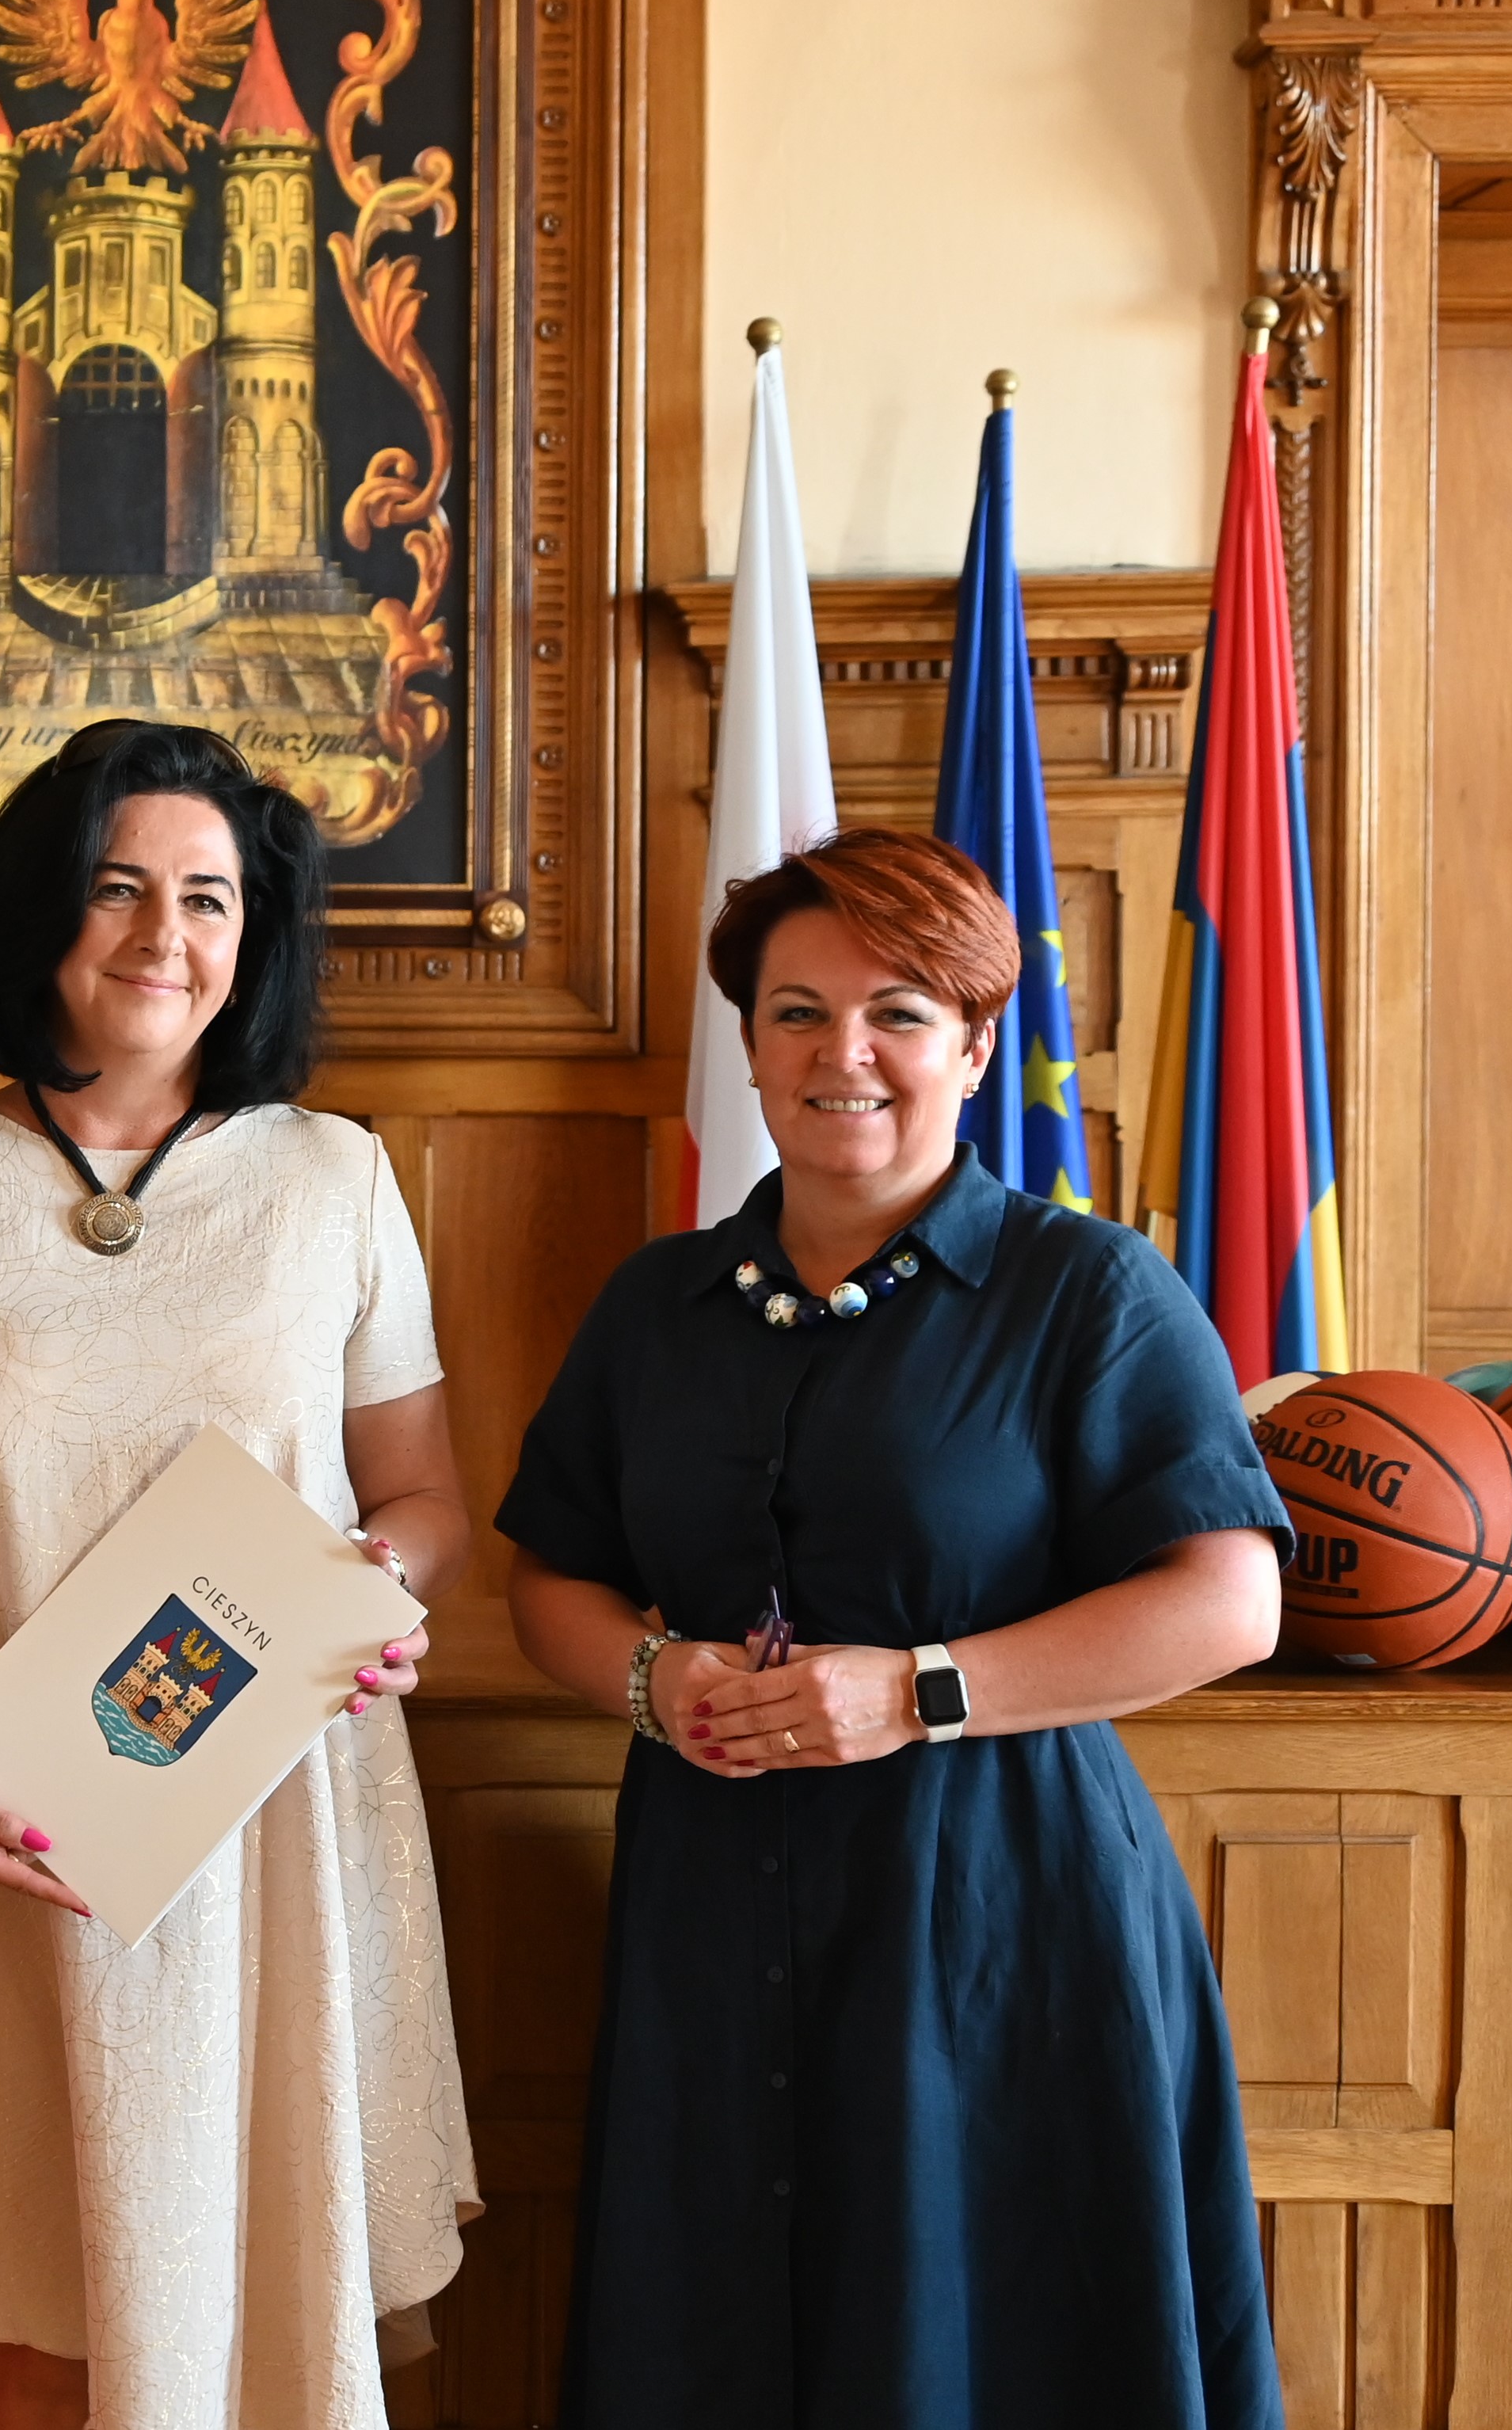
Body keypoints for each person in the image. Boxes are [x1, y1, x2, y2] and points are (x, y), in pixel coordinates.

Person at [500, 827, 1287, 2428]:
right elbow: (549, 1579)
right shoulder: (655, 1306)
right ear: (750, 1044)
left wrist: (919, 1689)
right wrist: (654, 1678)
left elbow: (1231, 1601)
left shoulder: (1091, 1290)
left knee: (991, 2337)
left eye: (899, 1013)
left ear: (979, 1044)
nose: (839, 1053)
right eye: (797, 1012)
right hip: (710, 1901)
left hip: (1005, 1909)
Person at [0, 718, 478, 2430]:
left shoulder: (336, 1178)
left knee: (271, 2302)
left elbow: (427, 1497)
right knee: (21, 2299)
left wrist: (377, 1585)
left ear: (254, 932)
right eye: (119, 887)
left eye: (209, 898)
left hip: (274, 1829)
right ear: (41, 909)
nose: (166, 933)